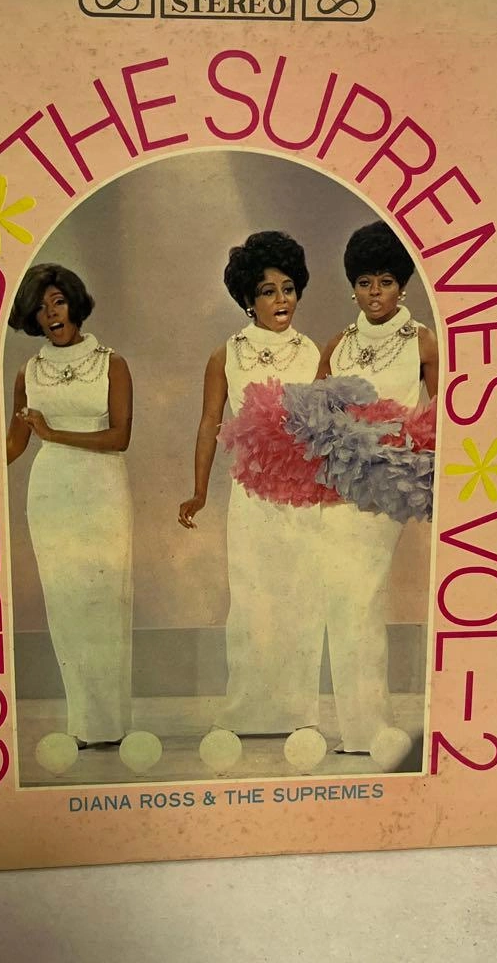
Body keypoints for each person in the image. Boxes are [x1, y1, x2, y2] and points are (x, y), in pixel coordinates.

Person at [178, 231, 324, 735]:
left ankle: (299, 712)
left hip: (302, 494)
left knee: (301, 596)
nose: (281, 300)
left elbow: (328, 426)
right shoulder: (226, 355)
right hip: (251, 493)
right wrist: (199, 491)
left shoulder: (314, 353)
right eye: (267, 291)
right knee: (251, 598)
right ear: (247, 299)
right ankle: (246, 710)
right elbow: (209, 423)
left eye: (288, 288)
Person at [317, 221, 439, 753]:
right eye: (365, 282)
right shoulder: (338, 344)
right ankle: (359, 729)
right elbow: (316, 415)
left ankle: (371, 727)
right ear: (353, 286)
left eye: (385, 282)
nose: (375, 293)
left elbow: (447, 414)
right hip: (339, 487)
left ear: (402, 285)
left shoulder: (423, 341)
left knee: (362, 593)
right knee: (344, 599)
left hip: (390, 483)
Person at [7, 263, 133, 747]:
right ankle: (83, 722)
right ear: (32, 317)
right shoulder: (28, 372)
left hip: (102, 488)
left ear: (74, 303)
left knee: (105, 601)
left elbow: (119, 437)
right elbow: (15, 444)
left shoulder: (111, 363)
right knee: (65, 604)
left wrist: (53, 432)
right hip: (50, 492)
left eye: (58, 301)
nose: (51, 314)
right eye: (41, 308)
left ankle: (110, 724)